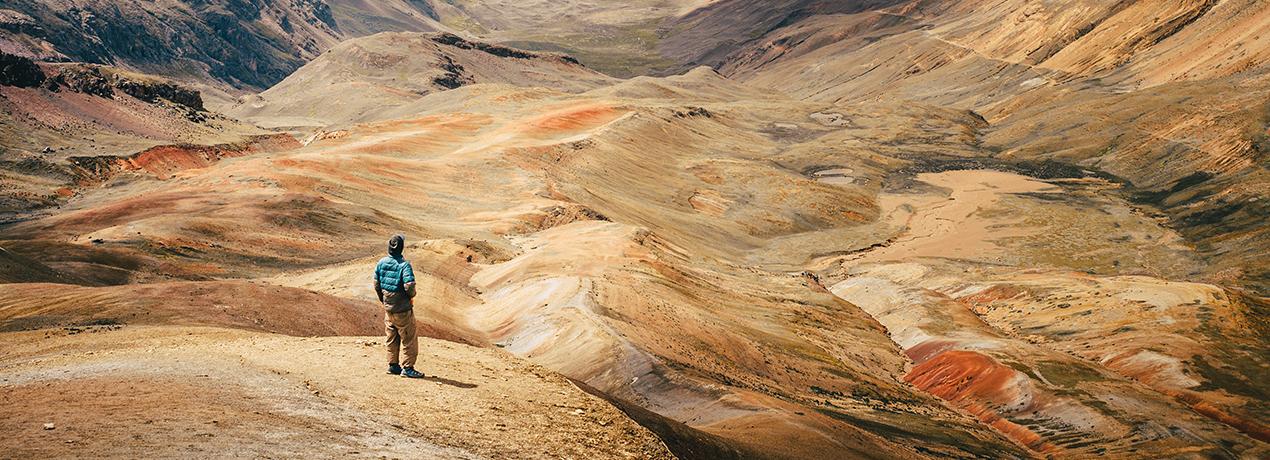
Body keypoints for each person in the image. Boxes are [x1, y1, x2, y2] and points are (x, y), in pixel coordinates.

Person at [374, 234, 423, 378]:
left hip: (388, 309)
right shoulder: (404, 265)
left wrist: (384, 300)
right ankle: (408, 368)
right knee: (409, 338)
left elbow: (376, 284)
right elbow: (409, 285)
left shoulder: (381, 262)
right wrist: (411, 296)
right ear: (401, 248)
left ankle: (393, 365)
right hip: (402, 309)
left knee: (392, 337)